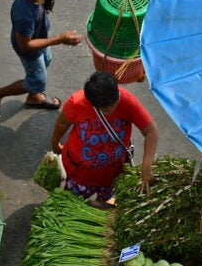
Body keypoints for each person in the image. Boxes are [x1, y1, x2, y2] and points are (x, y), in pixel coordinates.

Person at [0, 0, 99, 122]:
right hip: (30, 47)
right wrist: (59, 39)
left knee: (47, 60)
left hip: (40, 36)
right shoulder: (23, 13)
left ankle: (33, 97)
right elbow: (26, 45)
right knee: (37, 80)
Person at [51, 71, 158, 202]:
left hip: (112, 175)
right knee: (71, 204)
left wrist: (146, 167)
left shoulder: (128, 102)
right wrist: (55, 142)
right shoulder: (76, 103)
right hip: (79, 173)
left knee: (105, 206)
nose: (110, 110)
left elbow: (151, 132)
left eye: (113, 104)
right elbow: (62, 123)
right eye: (104, 108)